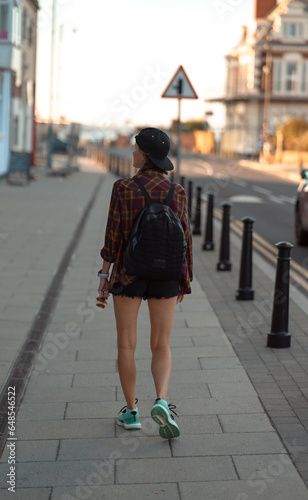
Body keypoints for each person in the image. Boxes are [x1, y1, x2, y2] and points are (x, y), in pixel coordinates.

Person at [98, 127, 193, 439]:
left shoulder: (123, 188)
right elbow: (185, 239)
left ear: (145, 155)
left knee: (127, 343)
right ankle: (162, 401)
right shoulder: (176, 193)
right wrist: (185, 279)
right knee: (161, 344)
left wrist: (104, 276)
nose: (132, 153)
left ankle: (131, 412)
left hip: (128, 274)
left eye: (135, 149)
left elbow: (113, 236)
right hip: (166, 276)